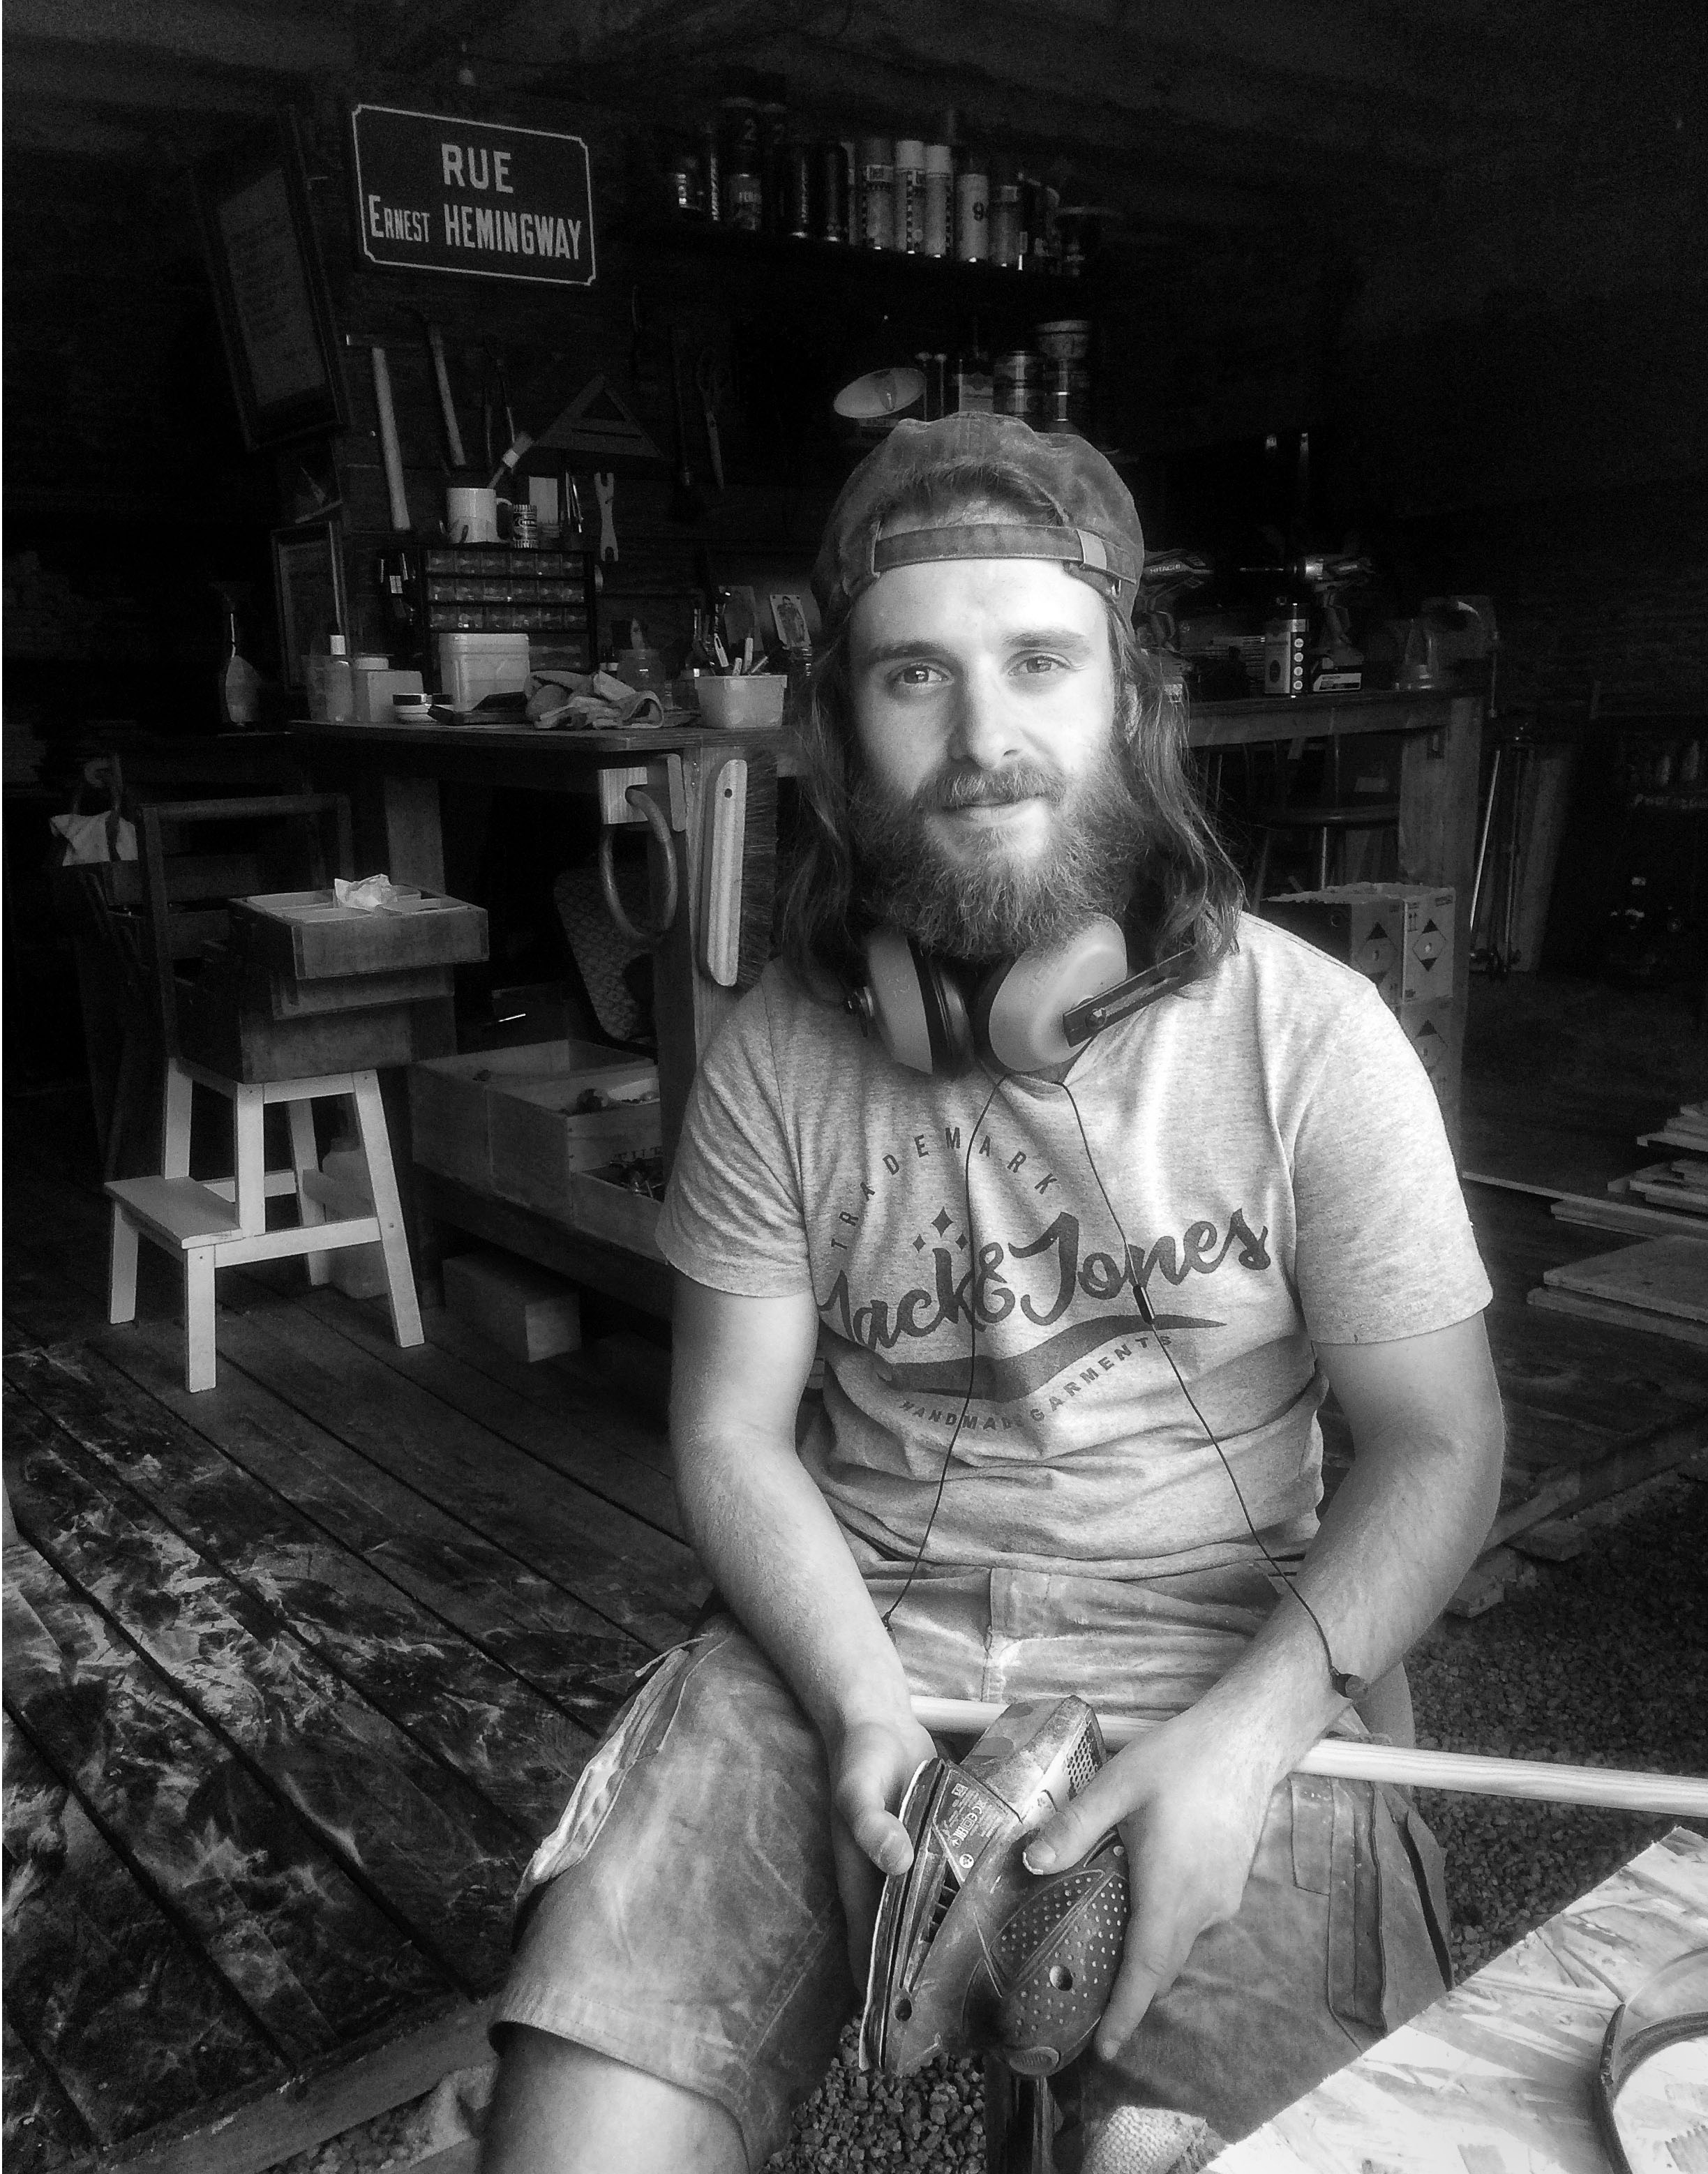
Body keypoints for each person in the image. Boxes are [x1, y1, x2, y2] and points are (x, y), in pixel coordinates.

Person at [481, 416, 1505, 2174]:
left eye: (1039, 661)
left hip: (1217, 1662)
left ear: (1132, 698)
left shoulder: (1313, 1036)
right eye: (916, 677)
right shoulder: (776, 1058)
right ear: (839, 729)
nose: (982, 742)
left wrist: (1254, 1738)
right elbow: (730, 1432)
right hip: (851, 1646)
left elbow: (1442, 1440)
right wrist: (855, 1698)